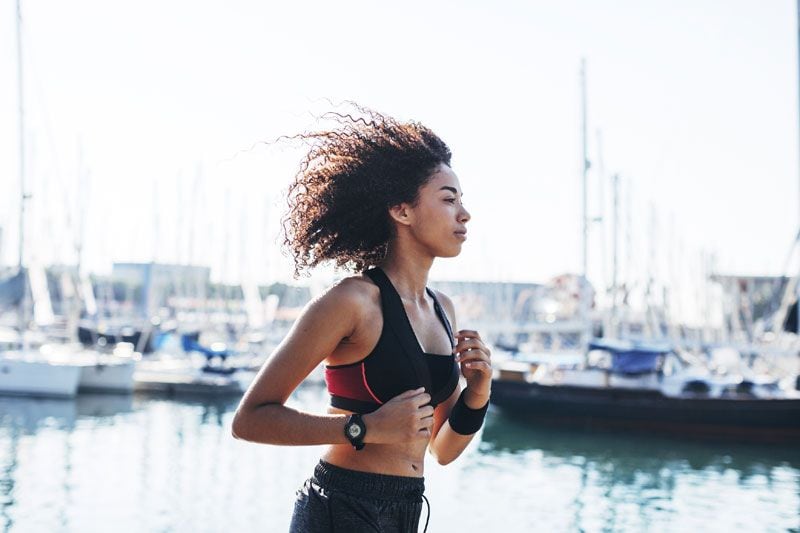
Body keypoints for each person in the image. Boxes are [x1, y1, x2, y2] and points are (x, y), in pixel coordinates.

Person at [231, 106, 492, 533]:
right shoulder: (352, 301)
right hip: (341, 509)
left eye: (462, 201)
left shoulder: (444, 308)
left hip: (407, 511)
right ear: (402, 211)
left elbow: (441, 451)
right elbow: (250, 419)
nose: (464, 214)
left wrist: (478, 395)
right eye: (448, 199)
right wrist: (363, 427)